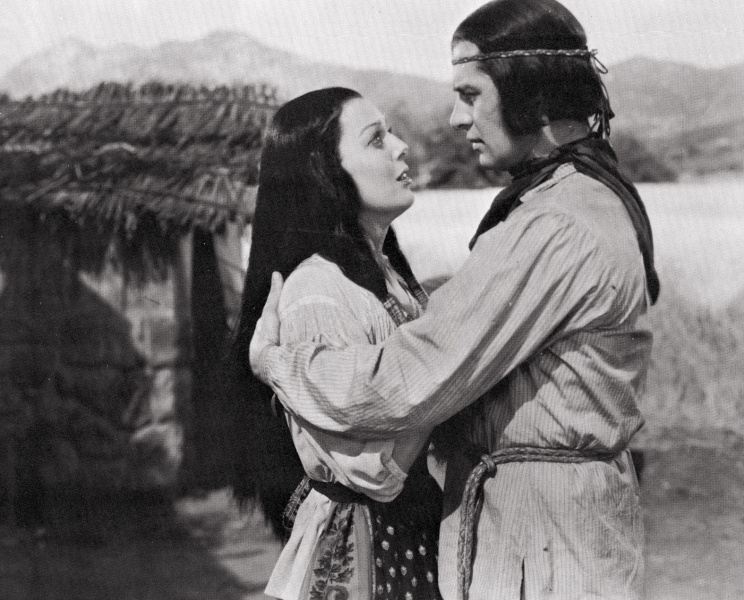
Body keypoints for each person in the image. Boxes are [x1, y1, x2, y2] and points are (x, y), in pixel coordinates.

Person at [250, 1, 660, 599]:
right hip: (552, 527)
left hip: (543, 540)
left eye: (470, 94)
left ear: (530, 94)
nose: (455, 117)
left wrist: (276, 362)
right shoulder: (579, 201)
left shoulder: (553, 225)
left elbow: (402, 381)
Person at [229, 87, 443, 600]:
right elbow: (369, 469)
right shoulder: (318, 293)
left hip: (407, 534)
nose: (401, 148)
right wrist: (448, 379)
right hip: (367, 548)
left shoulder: (387, 277)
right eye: (376, 140)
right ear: (326, 173)